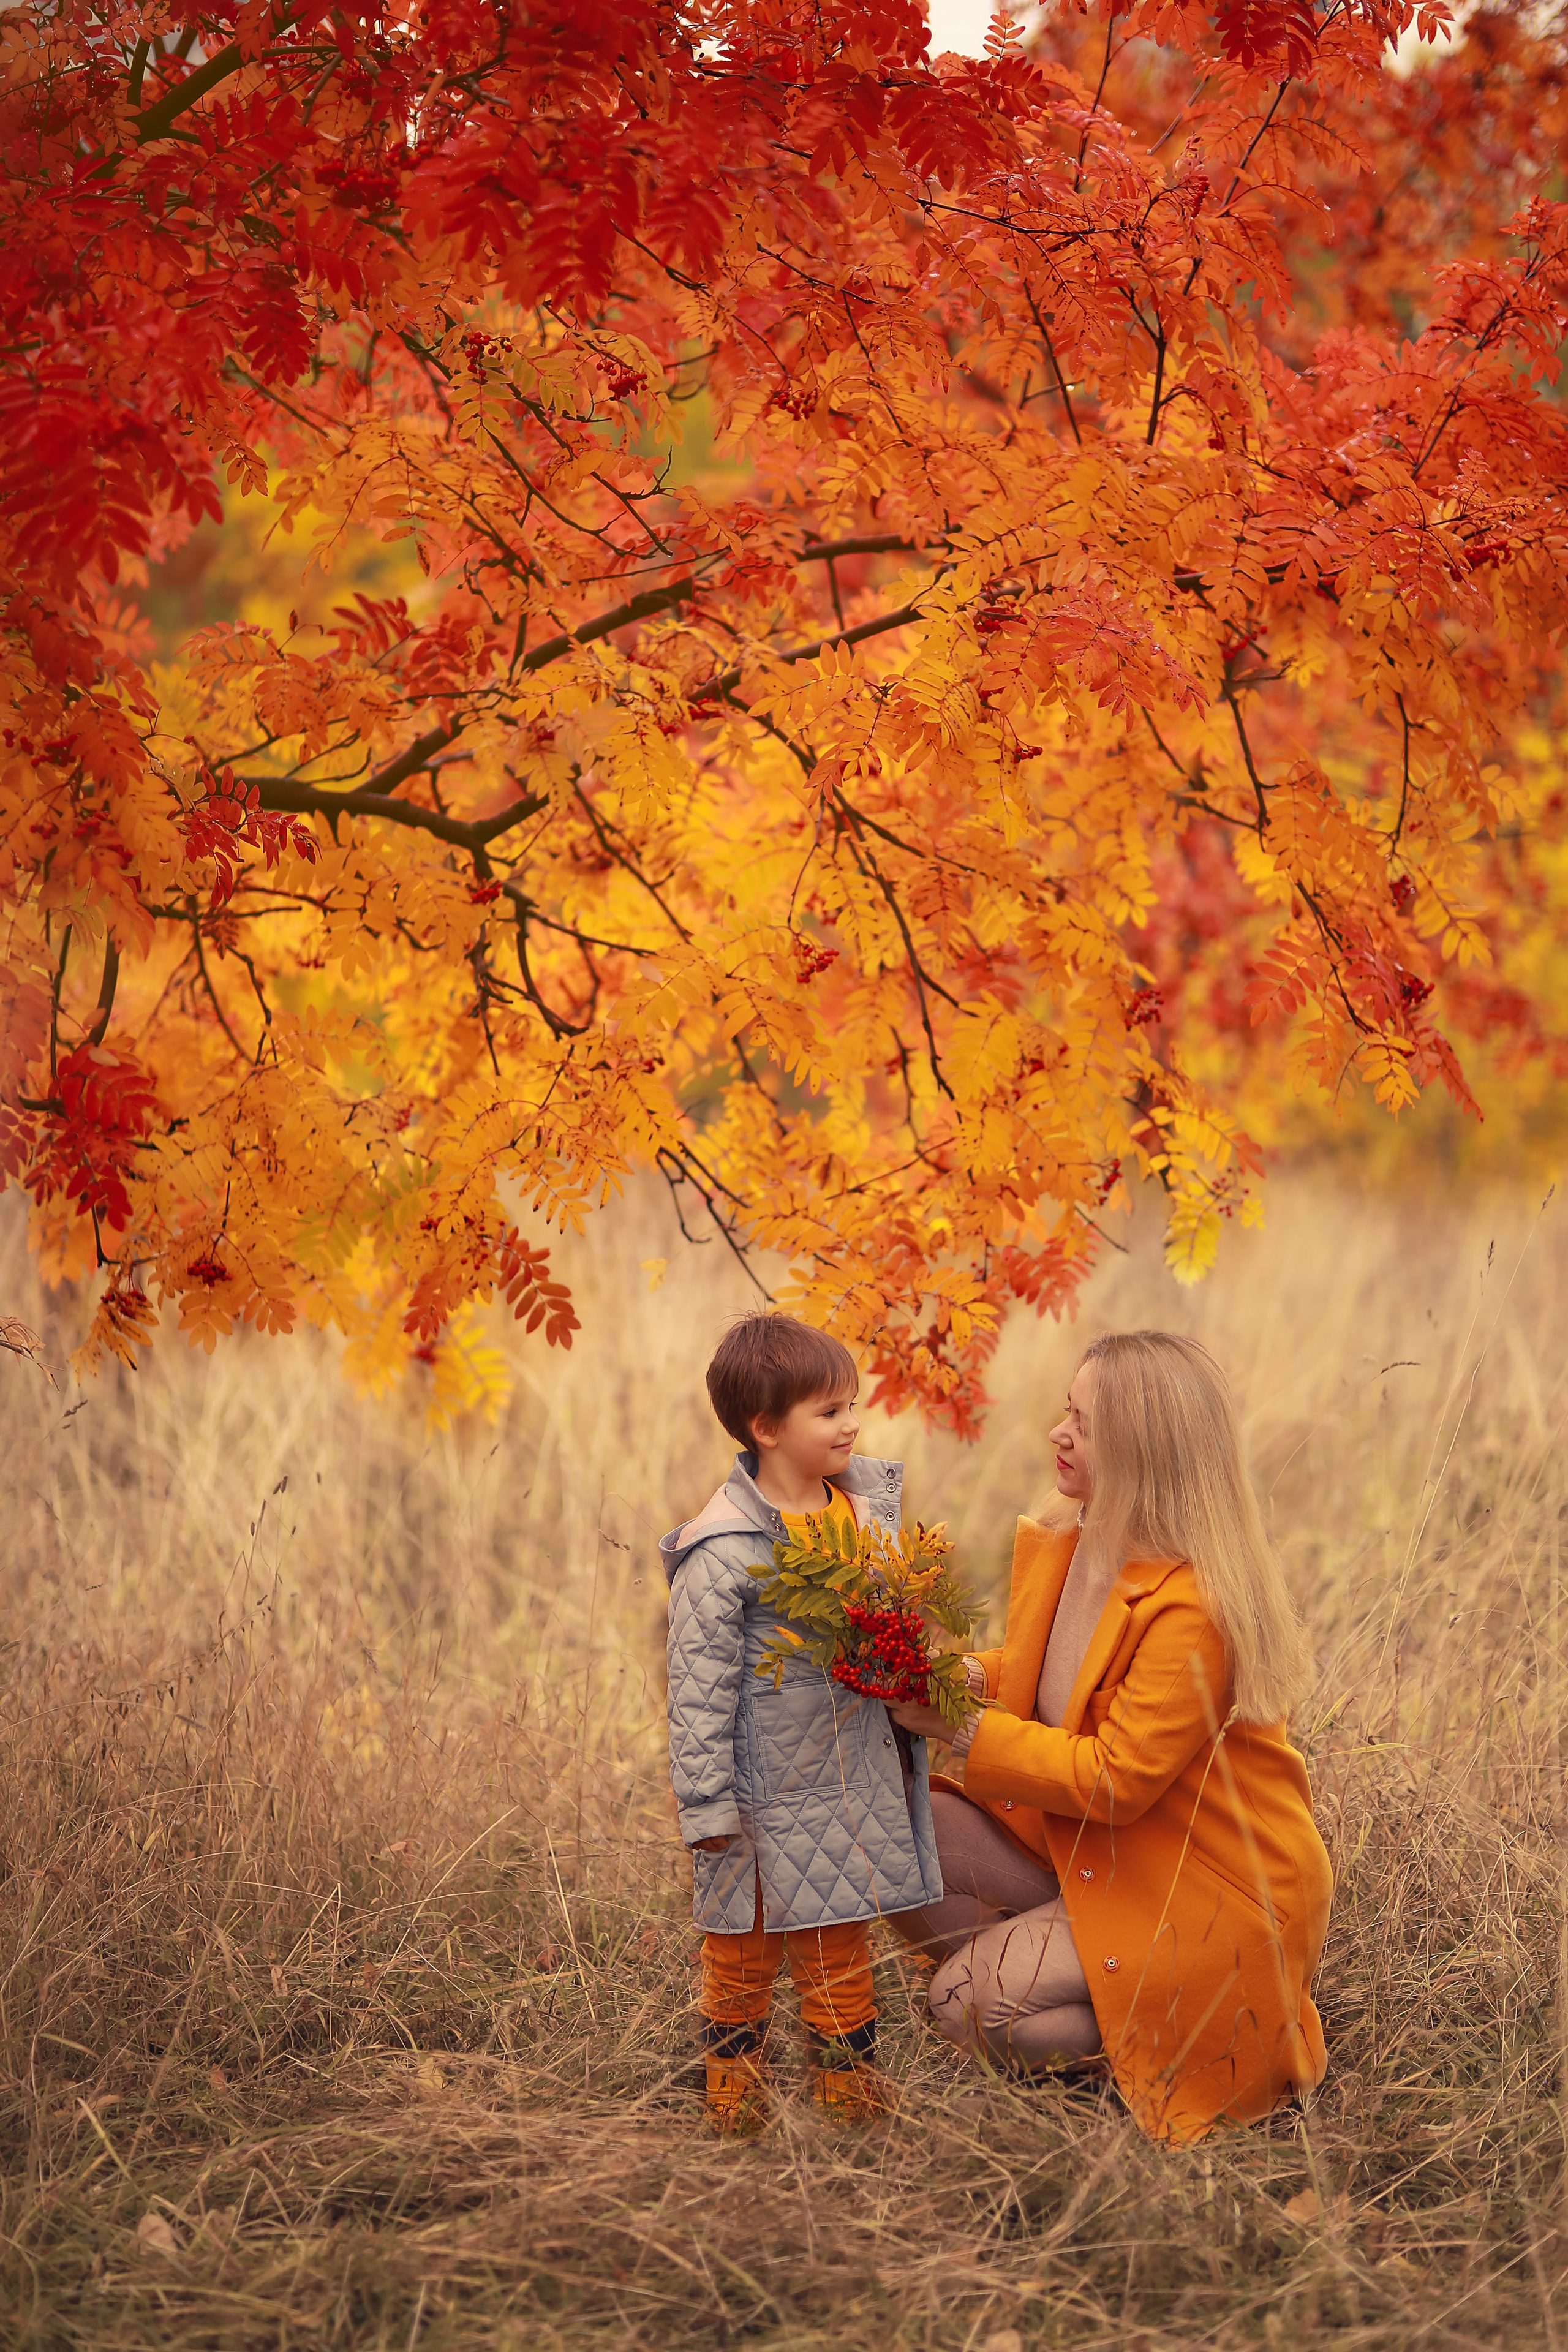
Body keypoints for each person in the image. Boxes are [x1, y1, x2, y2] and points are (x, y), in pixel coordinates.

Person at [888, 1330, 1333, 2146]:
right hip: (1096, 1855)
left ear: (1144, 1449)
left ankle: (1159, 2055)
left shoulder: (1193, 1604)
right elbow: (1049, 1670)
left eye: (1085, 1425)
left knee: (959, 2005)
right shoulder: (1080, 1532)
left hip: (1199, 1888)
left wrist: (959, 1726)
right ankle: (1060, 1972)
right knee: (885, 1817)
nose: (1059, 1434)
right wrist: (957, 1679)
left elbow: (1114, 1781)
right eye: (1067, 1411)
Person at [662, 1313, 942, 2132]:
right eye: (829, 1411)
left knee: (839, 1952)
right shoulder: (723, 1553)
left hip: (843, 1784)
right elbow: (699, 1692)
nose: (853, 1422)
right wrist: (708, 1808)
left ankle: (850, 2104)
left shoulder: (867, 1517)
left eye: (851, 1404)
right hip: (757, 1796)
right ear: (767, 1428)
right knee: (741, 1958)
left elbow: (892, 1631)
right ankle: (734, 2108)